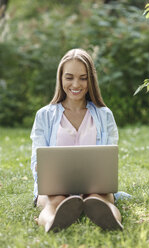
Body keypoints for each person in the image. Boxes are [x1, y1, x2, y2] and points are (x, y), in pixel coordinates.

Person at [30, 48, 130, 233]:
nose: (76, 84)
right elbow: (37, 158)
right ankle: (53, 222)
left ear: (90, 80)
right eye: (69, 77)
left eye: (83, 78)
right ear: (60, 78)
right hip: (55, 187)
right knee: (55, 200)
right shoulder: (44, 115)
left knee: (98, 198)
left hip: (95, 186)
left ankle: (112, 222)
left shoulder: (104, 115)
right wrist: (40, 166)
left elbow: (109, 156)